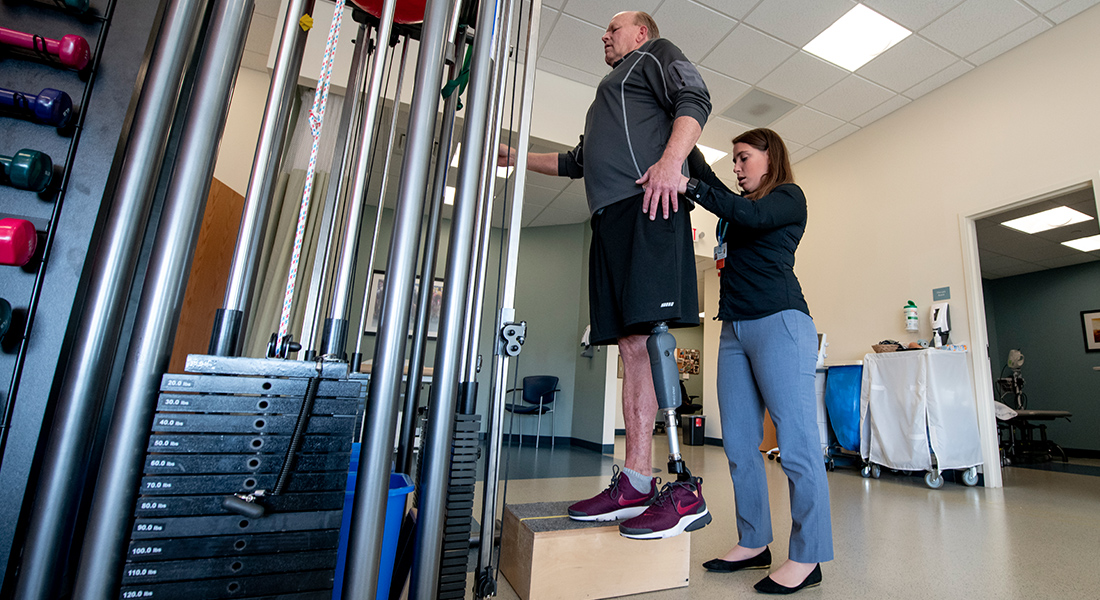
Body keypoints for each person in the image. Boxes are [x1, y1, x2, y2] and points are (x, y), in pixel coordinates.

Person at [499, 10, 711, 539]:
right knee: (631, 345)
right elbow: (576, 161)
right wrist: (516, 156)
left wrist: (671, 162)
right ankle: (635, 482)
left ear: (640, 32)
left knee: (652, 338)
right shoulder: (606, 98)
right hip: (609, 219)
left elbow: (696, 99)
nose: (604, 36)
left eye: (613, 29)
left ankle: (678, 484)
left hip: (649, 205)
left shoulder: (656, 55)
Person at [678, 128, 833, 593]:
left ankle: (808, 556)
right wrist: (680, 138)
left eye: (744, 157)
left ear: (770, 157)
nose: (737, 166)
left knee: (797, 444)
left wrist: (688, 185)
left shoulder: (787, 198)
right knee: (739, 443)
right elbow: (714, 186)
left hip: (780, 324)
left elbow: (748, 212)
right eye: (734, 160)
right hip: (734, 329)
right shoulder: (738, 208)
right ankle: (753, 541)